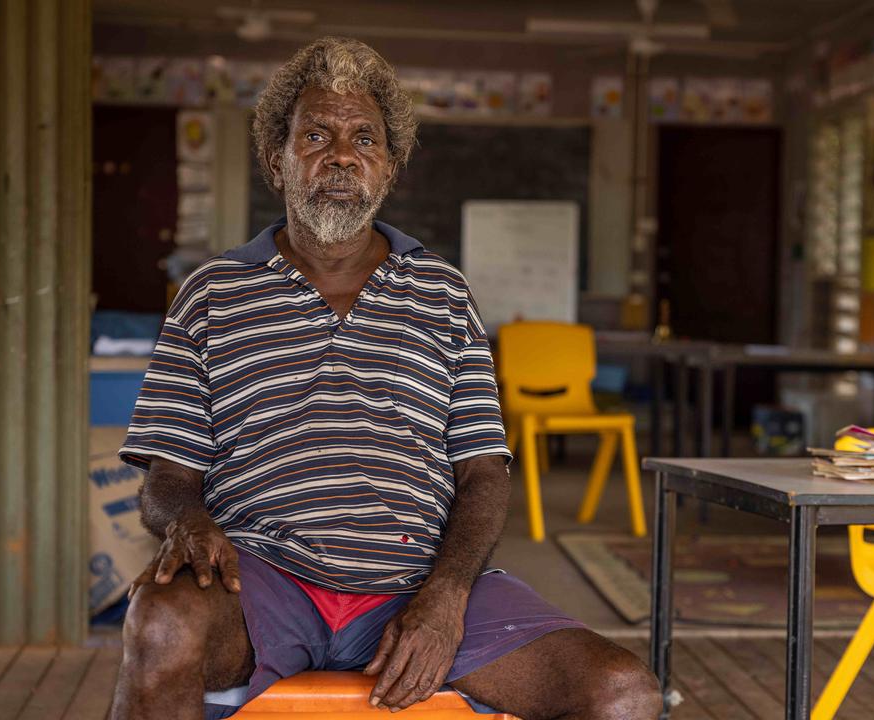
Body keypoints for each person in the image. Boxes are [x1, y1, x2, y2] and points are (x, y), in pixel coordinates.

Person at [107, 36, 662, 720]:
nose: (341, 154)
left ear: (389, 167)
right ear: (275, 163)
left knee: (623, 694)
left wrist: (448, 593)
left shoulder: (443, 294)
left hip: (418, 580)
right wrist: (188, 523)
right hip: (262, 580)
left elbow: (484, 473)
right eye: (316, 134)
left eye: (364, 138)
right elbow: (168, 479)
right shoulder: (212, 294)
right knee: (160, 621)